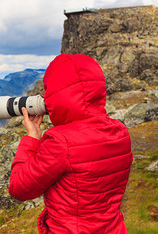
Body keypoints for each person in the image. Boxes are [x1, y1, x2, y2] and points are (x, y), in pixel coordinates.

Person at [9, 54, 133, 233]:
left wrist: (32, 138)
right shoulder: (120, 132)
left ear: (58, 94)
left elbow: (19, 188)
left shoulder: (61, 142)